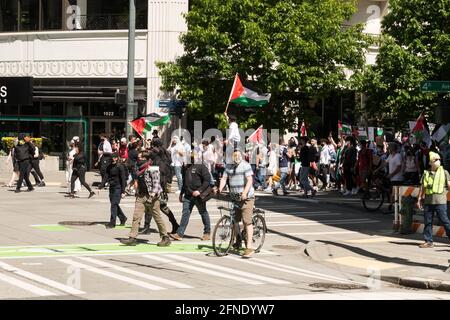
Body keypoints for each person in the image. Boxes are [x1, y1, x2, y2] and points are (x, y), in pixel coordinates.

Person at [120, 151, 171, 246]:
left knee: (157, 217)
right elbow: (137, 180)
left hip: (152, 196)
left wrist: (152, 196)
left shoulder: (153, 169)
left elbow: (156, 184)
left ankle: (165, 237)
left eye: (140, 158)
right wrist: (130, 187)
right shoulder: (138, 169)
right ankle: (132, 237)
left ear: (146, 159)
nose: (138, 160)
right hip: (141, 195)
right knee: (136, 216)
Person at [218, 150, 256, 258]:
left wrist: (244, 192)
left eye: (238, 155)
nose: (236, 157)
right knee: (235, 220)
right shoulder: (229, 167)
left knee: (247, 221)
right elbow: (224, 178)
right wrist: (220, 188)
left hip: (246, 198)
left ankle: (249, 247)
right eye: (234, 155)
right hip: (235, 197)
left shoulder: (246, 165)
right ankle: (238, 240)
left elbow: (249, 180)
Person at [170, 151, 212, 241]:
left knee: (203, 213)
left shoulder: (201, 167)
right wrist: (181, 193)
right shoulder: (185, 167)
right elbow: (185, 182)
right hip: (188, 195)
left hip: (198, 196)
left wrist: (199, 191)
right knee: (185, 213)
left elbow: (207, 181)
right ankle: (179, 234)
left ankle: (207, 233)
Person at [416, 151, 450, 248]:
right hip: (428, 202)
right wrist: (419, 199)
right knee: (428, 222)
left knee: (445, 221)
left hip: (441, 202)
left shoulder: (444, 172)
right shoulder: (426, 173)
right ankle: (428, 241)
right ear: (430, 162)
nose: (438, 161)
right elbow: (422, 187)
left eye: (439, 159)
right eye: (435, 160)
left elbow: (449, 185)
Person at [105, 153, 128, 228]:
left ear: (117, 158)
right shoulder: (109, 166)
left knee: (114, 205)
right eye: (112, 158)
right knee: (114, 204)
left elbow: (123, 179)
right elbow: (106, 176)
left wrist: (123, 191)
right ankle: (123, 218)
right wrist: (101, 186)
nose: (113, 159)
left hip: (118, 187)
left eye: (114, 158)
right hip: (112, 187)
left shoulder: (120, 166)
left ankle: (112, 222)